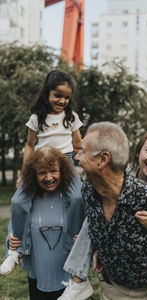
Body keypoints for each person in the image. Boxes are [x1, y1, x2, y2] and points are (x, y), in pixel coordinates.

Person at [58, 123, 147, 300]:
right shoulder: (124, 175)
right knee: (92, 220)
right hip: (114, 286)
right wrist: (101, 248)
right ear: (138, 153)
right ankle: (78, 279)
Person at [0, 69, 83, 276]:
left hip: (66, 162)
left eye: (66, 97)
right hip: (41, 163)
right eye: (58, 95)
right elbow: (29, 145)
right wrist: (23, 173)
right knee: (19, 201)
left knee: (77, 197)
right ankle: (16, 250)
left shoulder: (71, 117)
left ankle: (76, 242)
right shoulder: (37, 117)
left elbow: (79, 144)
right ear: (47, 92)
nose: (62, 100)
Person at [1, 146, 85, 300]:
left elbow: (87, 227)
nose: (48, 177)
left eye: (53, 171)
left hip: (68, 279)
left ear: (63, 171)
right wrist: (12, 240)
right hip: (38, 275)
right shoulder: (27, 200)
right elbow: (15, 224)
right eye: (42, 173)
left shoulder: (72, 200)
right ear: (33, 175)